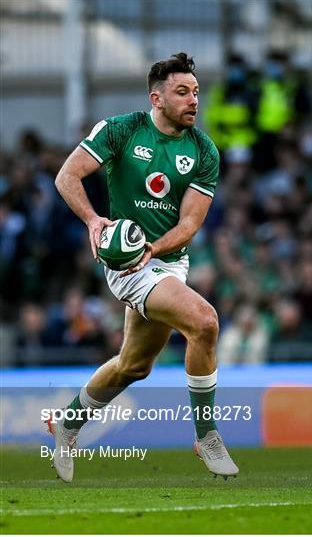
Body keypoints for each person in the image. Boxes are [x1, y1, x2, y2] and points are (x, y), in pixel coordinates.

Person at [49, 53, 239, 482]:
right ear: (156, 97)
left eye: (195, 92)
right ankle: (206, 435)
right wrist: (95, 221)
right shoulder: (122, 129)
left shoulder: (203, 150)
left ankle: (68, 423)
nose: (194, 100)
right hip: (126, 264)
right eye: (182, 92)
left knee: (133, 365)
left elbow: (190, 223)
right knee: (204, 322)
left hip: (164, 261)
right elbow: (67, 177)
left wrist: (153, 249)